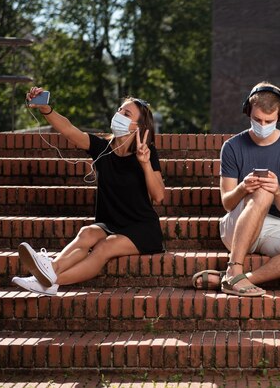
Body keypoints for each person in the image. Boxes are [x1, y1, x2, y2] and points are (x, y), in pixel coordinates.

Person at [11, 86, 166, 296]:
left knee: (104, 247)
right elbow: (68, 129)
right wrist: (45, 109)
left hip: (142, 227)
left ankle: (51, 281)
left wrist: (145, 163)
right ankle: (49, 272)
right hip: (110, 222)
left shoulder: (147, 152)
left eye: (126, 113)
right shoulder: (101, 149)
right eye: (119, 110)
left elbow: (159, 196)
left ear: (137, 127)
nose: (118, 114)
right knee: (87, 233)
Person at [192, 81, 280, 296]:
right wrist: (243, 187)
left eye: (268, 121)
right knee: (262, 192)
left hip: (273, 225)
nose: (262, 125)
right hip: (237, 223)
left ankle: (234, 279)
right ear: (248, 112)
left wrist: (278, 191)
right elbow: (227, 203)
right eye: (257, 119)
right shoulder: (232, 146)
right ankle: (235, 268)